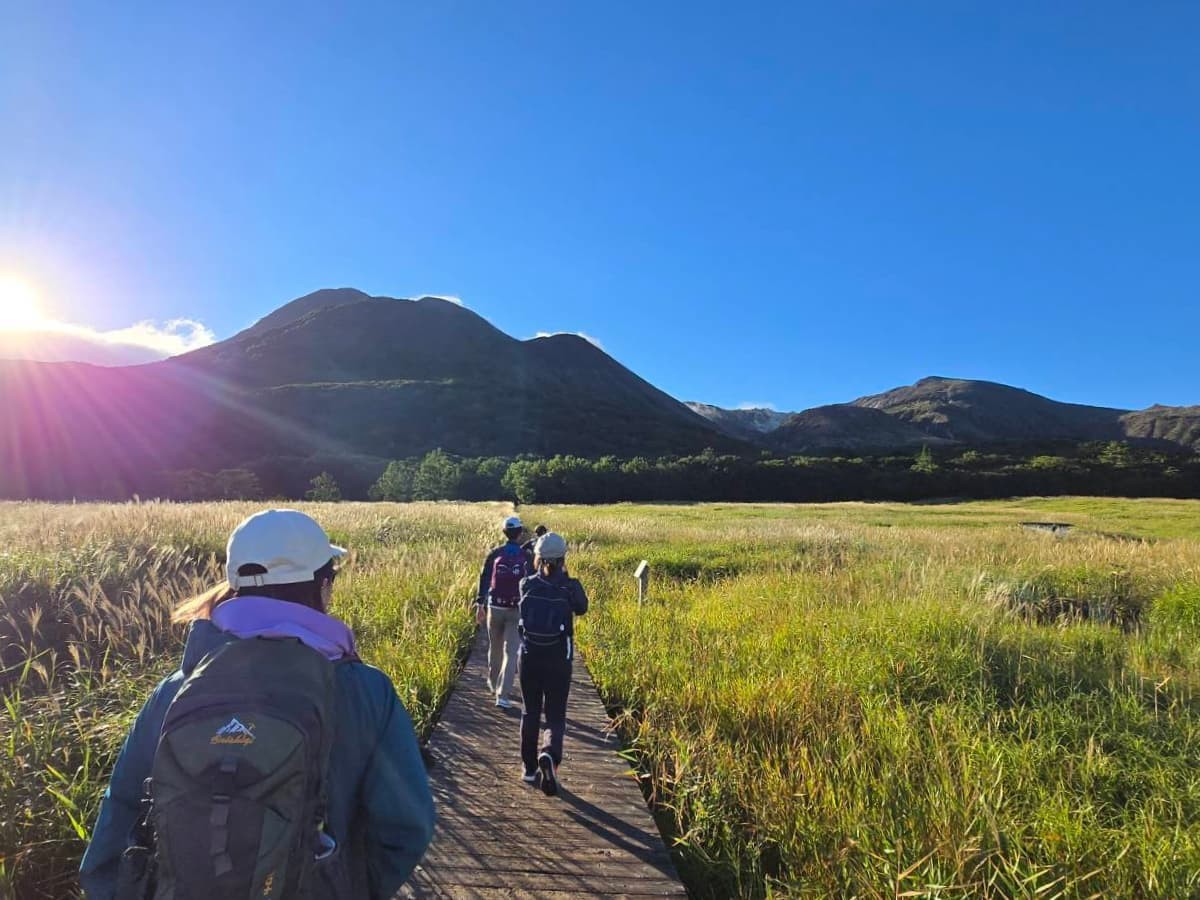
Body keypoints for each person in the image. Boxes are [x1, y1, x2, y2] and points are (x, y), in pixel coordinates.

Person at [80, 509, 435, 900]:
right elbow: (405, 828)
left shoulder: (176, 690)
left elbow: (120, 814)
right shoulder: (368, 692)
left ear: (235, 586)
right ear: (322, 585)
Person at [517, 532, 588, 796]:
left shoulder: (526, 584)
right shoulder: (570, 586)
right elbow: (581, 608)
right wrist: (566, 580)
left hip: (529, 656)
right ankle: (550, 754)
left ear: (538, 557)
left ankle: (528, 767)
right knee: (555, 714)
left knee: (530, 710)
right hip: (558, 656)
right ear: (562, 558)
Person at [475, 515, 535, 708]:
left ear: (504, 532)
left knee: (495, 648)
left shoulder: (495, 553)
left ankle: (493, 684)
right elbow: (532, 584)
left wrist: (480, 604)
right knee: (511, 652)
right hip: (516, 609)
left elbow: (484, 579)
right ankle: (502, 695)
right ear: (520, 533)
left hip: (495, 607)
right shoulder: (527, 556)